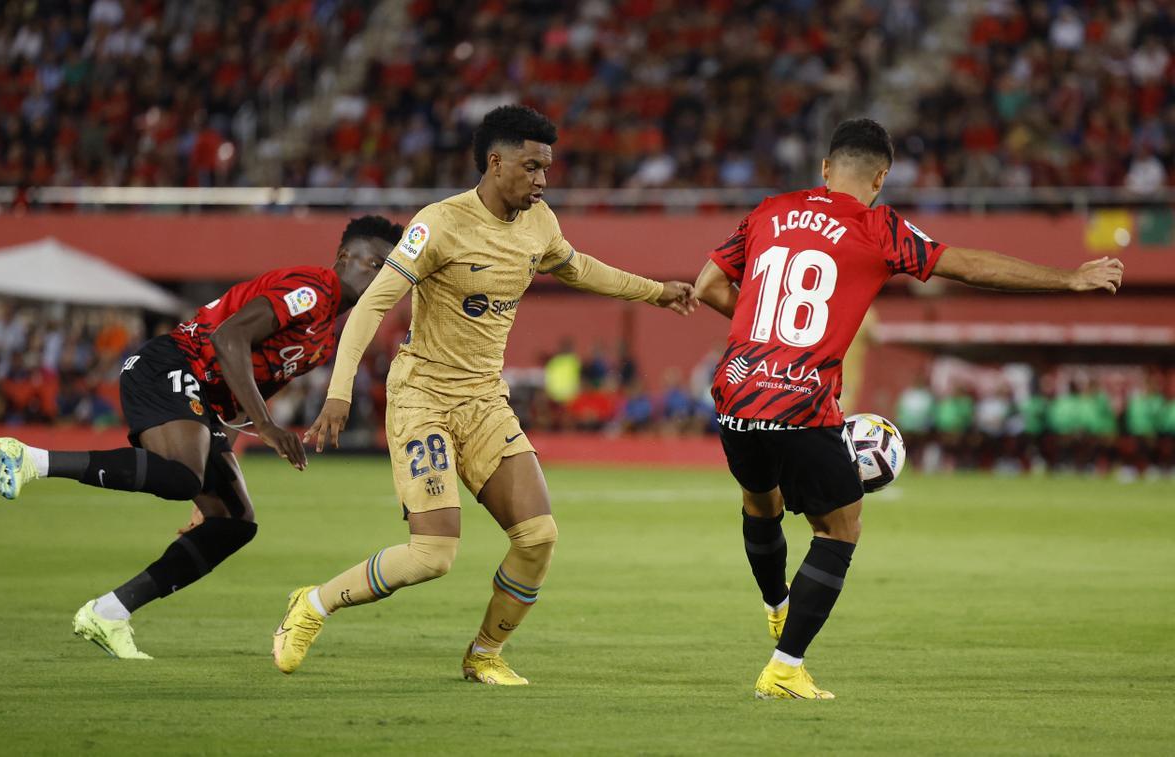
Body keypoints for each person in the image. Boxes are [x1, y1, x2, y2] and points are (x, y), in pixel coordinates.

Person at [692, 118, 1124, 700]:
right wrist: (1068, 278)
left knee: (759, 501)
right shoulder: (878, 226)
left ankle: (776, 605)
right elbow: (966, 265)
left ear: (824, 168)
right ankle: (785, 667)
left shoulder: (770, 211)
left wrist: (763, 344)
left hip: (737, 390)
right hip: (799, 396)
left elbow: (708, 286)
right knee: (840, 528)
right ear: (881, 178)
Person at [273, 105, 695, 684]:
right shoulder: (439, 224)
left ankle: (484, 655)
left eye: (547, 167)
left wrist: (656, 292)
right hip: (423, 395)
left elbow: (578, 268)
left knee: (538, 536)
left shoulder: (540, 223)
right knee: (433, 556)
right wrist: (338, 393)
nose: (543, 180)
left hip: (484, 401)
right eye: (531, 166)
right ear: (495, 163)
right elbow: (372, 304)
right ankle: (312, 604)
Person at [0, 215, 404, 659]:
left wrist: (207, 475)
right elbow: (229, 338)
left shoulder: (323, 340)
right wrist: (266, 427)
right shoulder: (314, 288)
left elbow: (238, 400)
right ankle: (32, 458)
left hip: (203, 400)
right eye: (375, 263)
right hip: (172, 363)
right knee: (183, 477)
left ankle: (109, 612)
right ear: (344, 257)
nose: (381, 275)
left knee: (232, 522)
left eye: (390, 269)